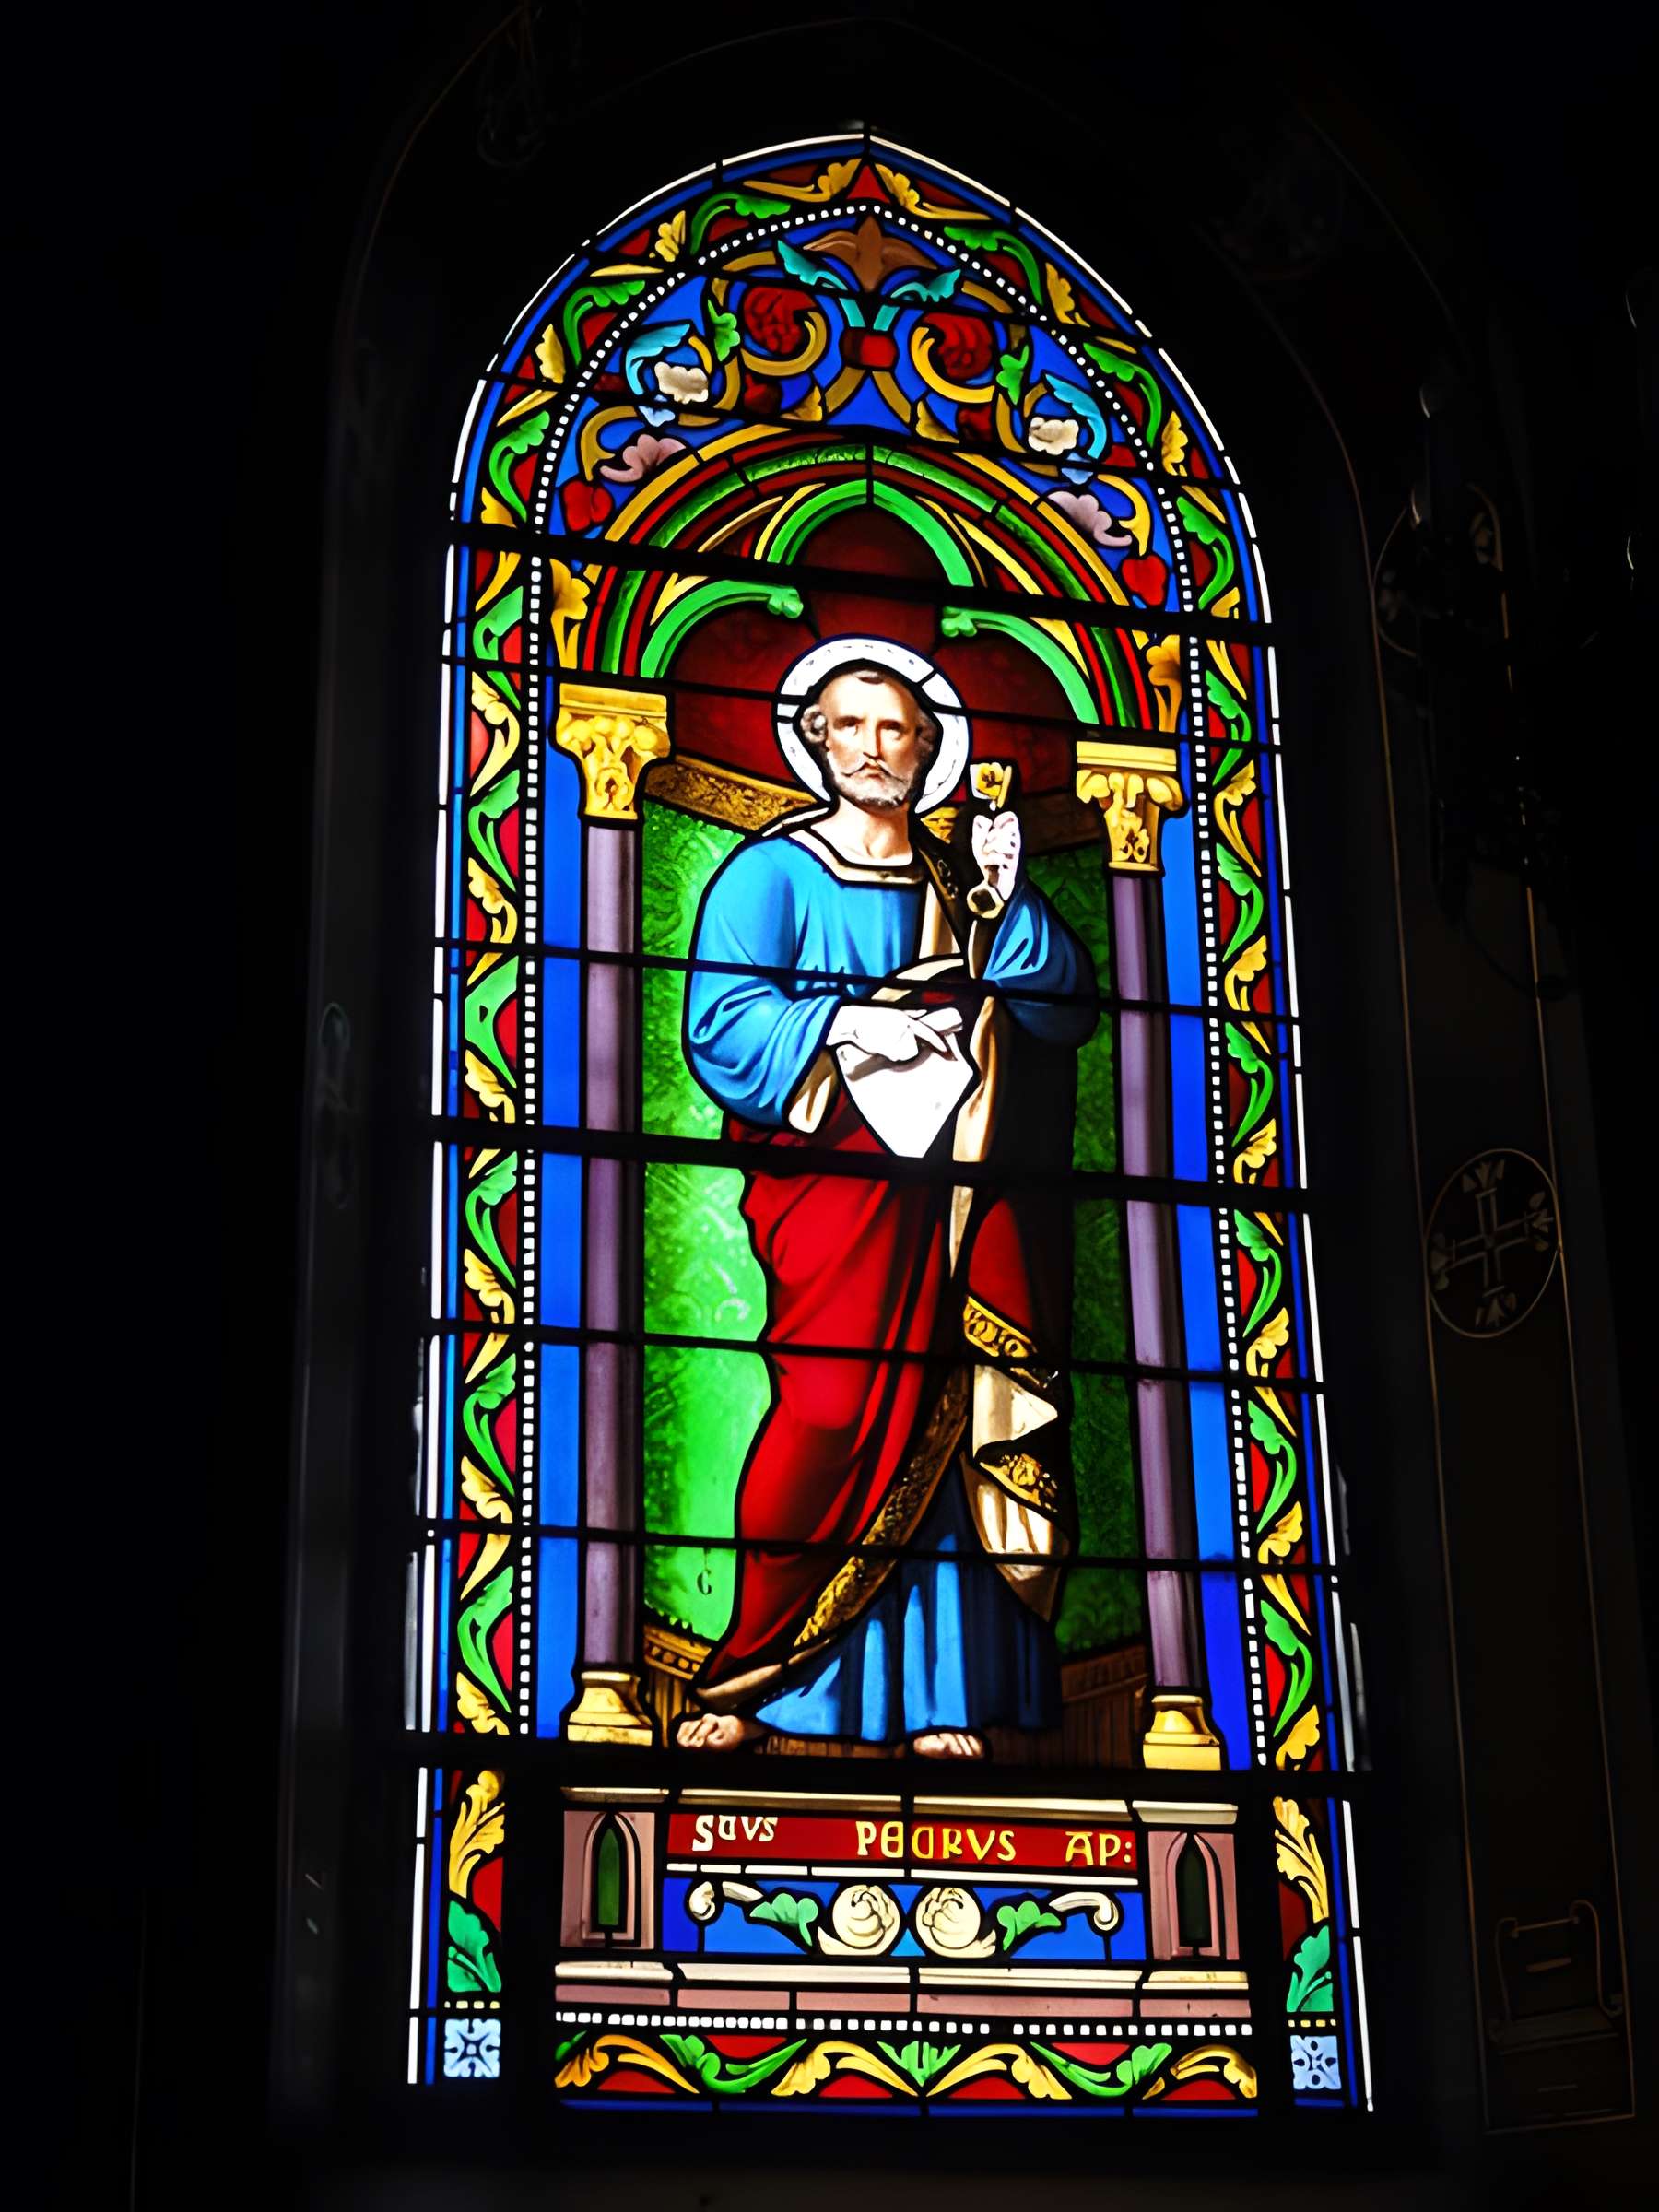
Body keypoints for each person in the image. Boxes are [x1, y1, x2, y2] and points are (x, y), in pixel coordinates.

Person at [675, 638, 1097, 1756]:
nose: (875, 748)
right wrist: (845, 1024)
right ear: (815, 741)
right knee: (823, 1418)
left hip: (963, 1201)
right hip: (836, 1200)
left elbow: (1065, 1007)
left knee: (954, 1428)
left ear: (926, 749)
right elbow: (717, 1030)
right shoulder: (768, 878)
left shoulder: (964, 876)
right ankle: (758, 1673)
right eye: (851, 725)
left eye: (897, 727)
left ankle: (942, 1699)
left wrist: (1002, 916)